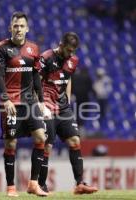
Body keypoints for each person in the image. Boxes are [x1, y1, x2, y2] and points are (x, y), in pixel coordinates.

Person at [0, 12, 48, 197]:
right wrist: (5, 99)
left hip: (30, 102)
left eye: (21, 26)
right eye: (15, 26)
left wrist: (41, 101)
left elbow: (35, 77)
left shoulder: (34, 49)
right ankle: (10, 186)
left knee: (41, 137)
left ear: (27, 28)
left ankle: (33, 183)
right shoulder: (1, 48)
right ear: (11, 28)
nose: (18, 29)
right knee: (11, 143)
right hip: (11, 103)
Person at [37, 32, 98, 194]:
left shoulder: (73, 61)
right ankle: (41, 185)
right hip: (46, 106)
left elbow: (67, 78)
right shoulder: (47, 58)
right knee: (47, 146)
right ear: (61, 45)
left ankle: (79, 184)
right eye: (69, 50)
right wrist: (40, 105)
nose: (71, 54)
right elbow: (34, 81)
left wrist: (68, 99)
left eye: (73, 51)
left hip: (63, 107)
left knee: (75, 140)